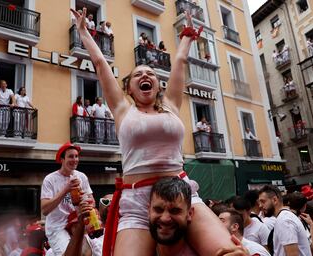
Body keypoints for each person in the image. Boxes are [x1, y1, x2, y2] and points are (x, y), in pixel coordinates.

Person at [70, 7, 241, 256]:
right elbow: (100, 63)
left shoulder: (171, 104)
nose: (145, 75)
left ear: (158, 85)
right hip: (137, 199)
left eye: (150, 73)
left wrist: (188, 36)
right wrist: (84, 32)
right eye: (138, 74)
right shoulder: (122, 109)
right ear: (128, 88)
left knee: (231, 253)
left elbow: (180, 62)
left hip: (181, 193)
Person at [40, 142, 94, 255]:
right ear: (62, 159)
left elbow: (92, 202)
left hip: (77, 225)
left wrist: (85, 199)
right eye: (70, 156)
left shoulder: (82, 176)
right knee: (70, 253)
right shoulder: (50, 179)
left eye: (76, 156)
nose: (74, 159)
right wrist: (66, 189)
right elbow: (45, 210)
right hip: (57, 227)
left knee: (89, 253)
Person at [148, 177, 197, 256]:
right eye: (158, 210)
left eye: (175, 211)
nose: (164, 219)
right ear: (149, 211)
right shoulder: (138, 250)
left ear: (189, 214)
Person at [259, 185, 312, 256]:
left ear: (274, 200)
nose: (260, 205)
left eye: (263, 201)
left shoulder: (284, 220)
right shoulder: (284, 217)